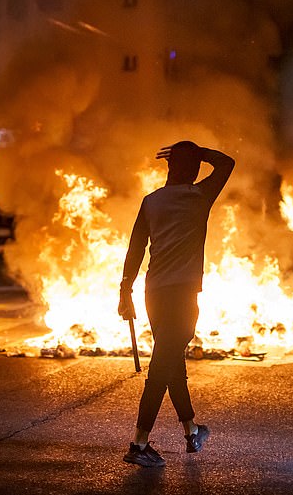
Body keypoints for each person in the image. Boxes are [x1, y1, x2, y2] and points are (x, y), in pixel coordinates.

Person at [118, 141, 235, 467]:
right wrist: (198, 151)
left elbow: (135, 249)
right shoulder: (199, 197)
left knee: (170, 362)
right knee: (161, 368)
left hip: (154, 293)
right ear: (195, 170)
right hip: (183, 296)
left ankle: (191, 430)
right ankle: (139, 445)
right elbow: (226, 164)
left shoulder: (151, 201)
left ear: (169, 169)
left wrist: (124, 291)